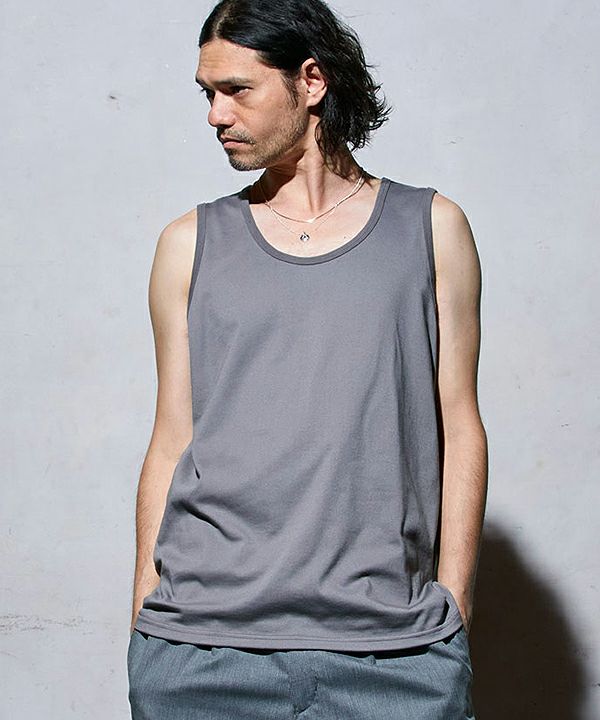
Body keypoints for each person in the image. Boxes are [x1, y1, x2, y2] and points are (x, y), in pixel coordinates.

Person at [127, 0, 488, 718]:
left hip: (394, 653)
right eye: (207, 94)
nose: (216, 115)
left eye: (237, 90)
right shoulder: (188, 244)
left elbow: (460, 427)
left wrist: (454, 610)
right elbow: (172, 437)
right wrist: (145, 613)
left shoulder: (431, 228)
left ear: (311, 81)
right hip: (201, 650)